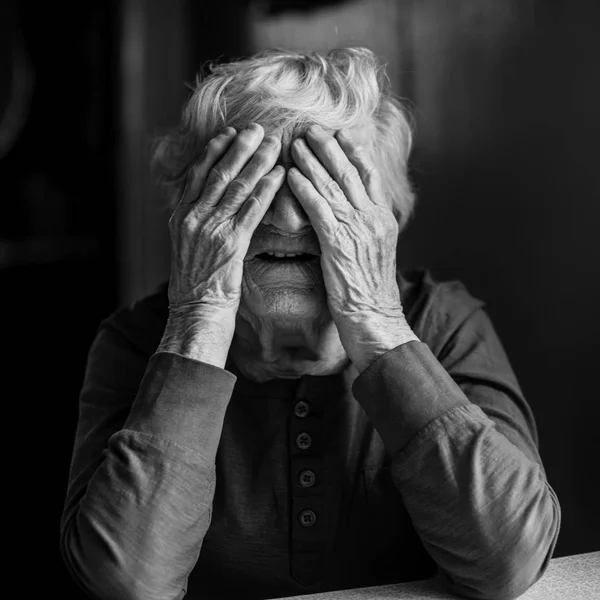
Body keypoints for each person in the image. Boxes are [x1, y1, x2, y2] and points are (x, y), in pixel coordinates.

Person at [60, 47, 561, 600]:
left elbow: (506, 564)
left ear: (386, 215)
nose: (291, 217)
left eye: (325, 184)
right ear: (194, 213)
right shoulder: (136, 342)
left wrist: (376, 323)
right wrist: (198, 318)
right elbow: (129, 582)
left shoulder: (441, 322)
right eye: (255, 181)